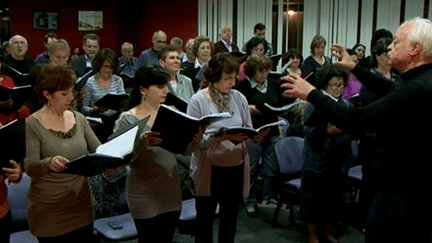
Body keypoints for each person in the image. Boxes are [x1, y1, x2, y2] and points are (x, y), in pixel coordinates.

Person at [281, 17, 432, 243]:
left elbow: (356, 120)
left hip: (403, 190)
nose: (390, 47)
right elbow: (388, 87)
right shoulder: (421, 80)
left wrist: (311, 93)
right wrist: (354, 68)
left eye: (397, 42)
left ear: (414, 50)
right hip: (405, 185)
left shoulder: (418, 87)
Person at [187, 53, 269, 242]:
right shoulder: (198, 100)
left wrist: (255, 138)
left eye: (234, 78)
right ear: (214, 77)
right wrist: (220, 137)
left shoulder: (239, 97)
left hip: (235, 168)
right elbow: (192, 143)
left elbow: (247, 130)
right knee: (205, 221)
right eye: (227, 78)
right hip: (210, 170)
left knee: (230, 219)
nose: (232, 83)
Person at [113, 65, 200, 242]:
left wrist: (196, 140)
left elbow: (184, 151)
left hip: (170, 189)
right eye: (160, 87)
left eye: (166, 86)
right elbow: (119, 160)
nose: (166, 90)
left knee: (166, 238)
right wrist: (141, 143)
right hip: (144, 191)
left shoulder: (172, 113)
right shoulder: (128, 118)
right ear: (143, 89)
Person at [24, 64, 101, 242]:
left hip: (81, 204)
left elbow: (99, 150)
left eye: (72, 91)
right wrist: (48, 163)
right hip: (50, 210)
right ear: (47, 94)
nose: (71, 98)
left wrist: (110, 161)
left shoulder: (79, 119)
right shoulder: (32, 124)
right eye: (64, 94)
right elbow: (30, 167)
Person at [300, 65, 353, 243]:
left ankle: (327, 231)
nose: (338, 89)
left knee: (334, 199)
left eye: (341, 85)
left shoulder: (346, 105)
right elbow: (308, 131)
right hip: (316, 160)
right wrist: (327, 131)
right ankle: (312, 234)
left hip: (338, 160)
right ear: (324, 85)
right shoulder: (315, 103)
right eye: (334, 85)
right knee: (314, 200)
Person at [235, 54, 283, 217]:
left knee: (271, 167)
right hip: (253, 132)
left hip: (272, 130)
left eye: (266, 70)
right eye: (260, 71)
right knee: (252, 168)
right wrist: (248, 108)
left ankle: (267, 198)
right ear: (252, 72)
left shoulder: (274, 84)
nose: (264, 75)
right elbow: (235, 108)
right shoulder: (243, 86)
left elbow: (281, 104)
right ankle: (249, 201)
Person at [81, 48, 128, 143]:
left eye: (111, 67)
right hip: (99, 121)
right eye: (105, 67)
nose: (108, 70)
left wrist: (125, 105)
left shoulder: (117, 80)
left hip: (116, 120)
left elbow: (122, 98)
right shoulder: (90, 82)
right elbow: (83, 108)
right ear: (99, 65)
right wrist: (94, 110)